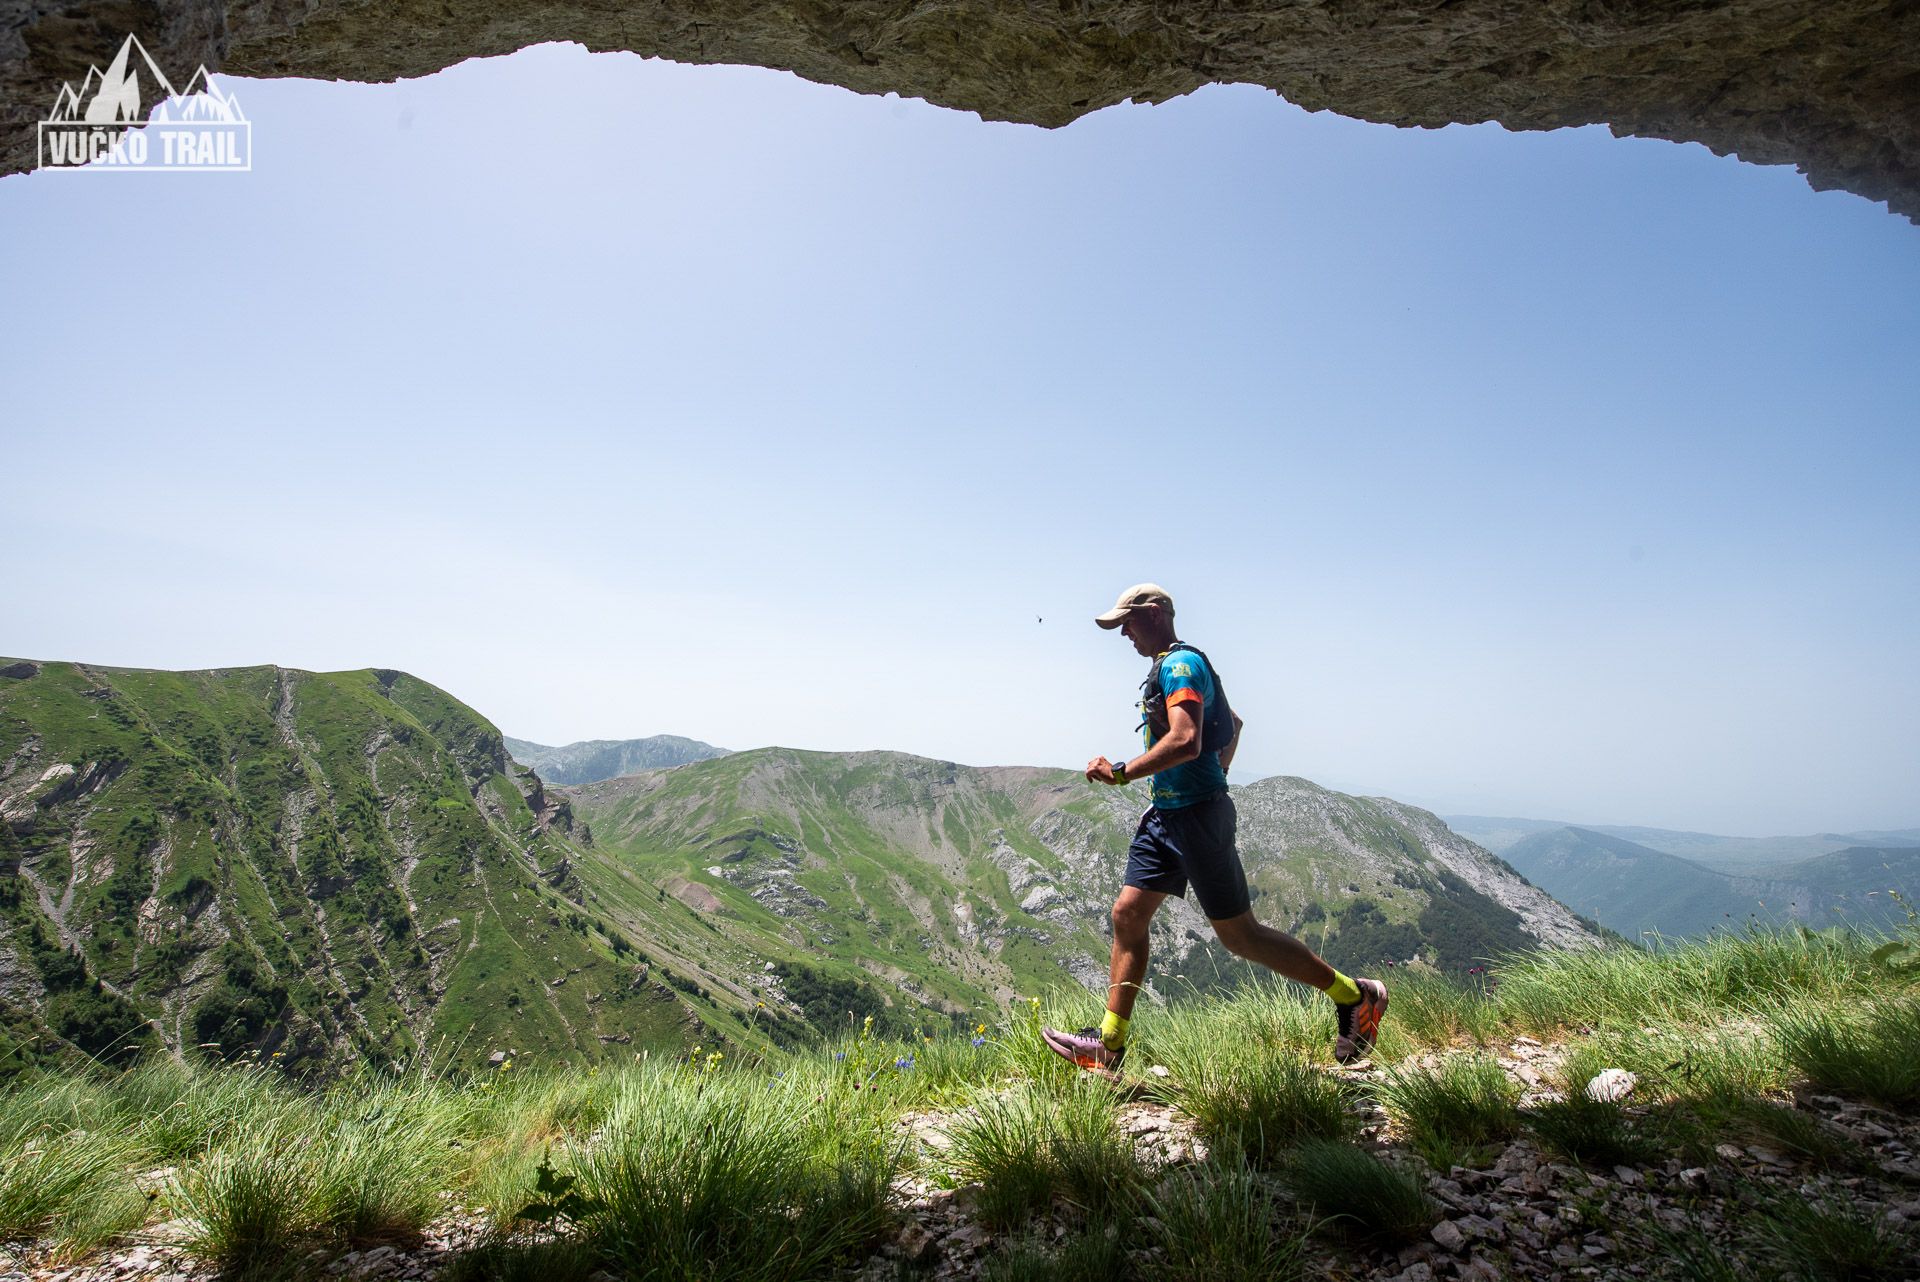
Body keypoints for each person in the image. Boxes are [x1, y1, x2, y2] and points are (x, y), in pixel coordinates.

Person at [1041, 583, 1388, 1072]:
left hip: (1199, 819)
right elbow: (1235, 723)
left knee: (1241, 937)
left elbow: (1185, 741)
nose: (1124, 634)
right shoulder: (1168, 666)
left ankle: (1356, 996)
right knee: (1127, 915)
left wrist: (1121, 773)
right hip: (1165, 816)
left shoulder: (1181, 665)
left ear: (1157, 613)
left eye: (1128, 622)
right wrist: (1213, 772)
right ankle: (1108, 1047)